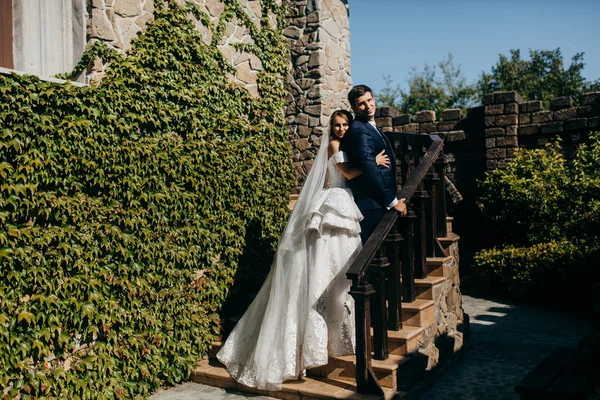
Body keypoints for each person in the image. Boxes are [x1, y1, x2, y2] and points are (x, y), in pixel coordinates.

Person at [216, 110, 389, 390]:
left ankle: (336, 336)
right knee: (323, 272)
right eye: (337, 125)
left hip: (343, 204)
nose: (342, 129)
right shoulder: (335, 146)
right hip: (333, 203)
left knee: (342, 271)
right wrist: (375, 163)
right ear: (331, 129)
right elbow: (345, 172)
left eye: (345, 125)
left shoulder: (346, 145)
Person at [341, 85, 407, 244]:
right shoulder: (360, 130)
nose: (368, 106)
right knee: (375, 259)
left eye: (369, 100)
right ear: (354, 108)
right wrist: (392, 201)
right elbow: (369, 167)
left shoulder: (369, 126)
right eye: (361, 103)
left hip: (378, 203)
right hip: (372, 205)